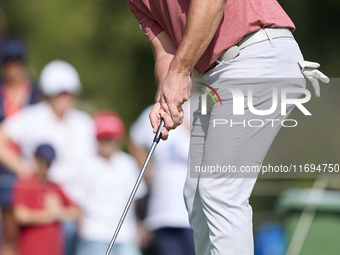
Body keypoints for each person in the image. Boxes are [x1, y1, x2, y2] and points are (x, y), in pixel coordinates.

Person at [126, 0, 329, 254]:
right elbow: (166, 52)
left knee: (221, 188)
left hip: (257, 53)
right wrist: (165, 98)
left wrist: (179, 74)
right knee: (196, 195)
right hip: (218, 77)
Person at [0, 60, 95, 255]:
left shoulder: (84, 123)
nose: (65, 99)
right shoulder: (32, 117)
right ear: (48, 95)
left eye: (68, 93)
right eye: (60, 94)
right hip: (43, 207)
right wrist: (24, 169)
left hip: (80, 207)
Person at [76, 111, 147, 255]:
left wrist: (139, 226)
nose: (107, 143)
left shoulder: (128, 163)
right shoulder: (86, 164)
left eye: (110, 138)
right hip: (94, 232)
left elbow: (135, 200)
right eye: (104, 138)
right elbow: (78, 201)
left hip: (125, 234)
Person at [129, 103, 195, 255]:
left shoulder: (202, 107)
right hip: (163, 212)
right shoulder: (157, 110)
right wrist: (147, 168)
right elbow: (135, 138)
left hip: (194, 213)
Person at [0, 38, 40, 255]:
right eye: (8, 62)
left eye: (17, 62)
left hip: (31, 167)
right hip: (5, 169)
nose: (13, 67)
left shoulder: (37, 93)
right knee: (8, 233)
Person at [12, 143, 80, 255]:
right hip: (30, 250)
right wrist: (50, 215)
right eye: (42, 161)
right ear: (35, 158)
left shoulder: (55, 186)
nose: (45, 166)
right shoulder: (24, 183)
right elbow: (20, 215)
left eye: (48, 163)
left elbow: (76, 211)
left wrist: (60, 214)